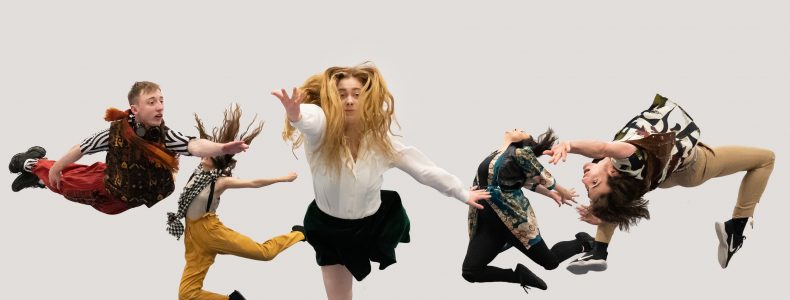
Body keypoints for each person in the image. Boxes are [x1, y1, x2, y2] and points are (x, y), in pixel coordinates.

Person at [272, 63, 491, 300]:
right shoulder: (321, 132)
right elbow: (311, 119)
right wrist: (296, 114)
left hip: (372, 223)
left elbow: (423, 169)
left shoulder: (381, 142)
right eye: (341, 94)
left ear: (367, 99)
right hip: (329, 228)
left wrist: (462, 193)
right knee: (339, 296)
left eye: (356, 94)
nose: (349, 100)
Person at [543, 94, 775, 273]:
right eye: (594, 182)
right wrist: (569, 146)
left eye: (588, 187)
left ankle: (599, 252)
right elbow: (603, 147)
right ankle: (736, 229)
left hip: (662, 175)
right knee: (766, 159)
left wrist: (605, 215)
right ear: (612, 173)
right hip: (695, 166)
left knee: (620, 199)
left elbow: (616, 197)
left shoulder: (625, 179)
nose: (584, 179)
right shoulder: (625, 158)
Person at [8, 81, 249, 214]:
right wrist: (56, 167)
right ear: (135, 109)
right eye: (151, 102)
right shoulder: (115, 133)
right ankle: (32, 164)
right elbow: (82, 147)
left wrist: (222, 148)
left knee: (73, 191)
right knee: (63, 184)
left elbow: (194, 145)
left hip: (124, 201)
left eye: (162, 101)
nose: (160, 107)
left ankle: (37, 179)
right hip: (106, 184)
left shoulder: (165, 136)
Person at [169, 104, 304, 300]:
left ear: (218, 161)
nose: (206, 154)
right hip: (193, 237)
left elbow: (253, 183)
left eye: (211, 153)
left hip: (212, 231)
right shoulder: (196, 174)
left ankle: (299, 233)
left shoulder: (220, 182)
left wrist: (282, 178)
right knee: (186, 294)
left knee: (265, 253)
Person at [461, 128, 593, 293]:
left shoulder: (520, 152)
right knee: (471, 271)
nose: (518, 129)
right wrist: (551, 194)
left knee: (550, 263)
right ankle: (519, 276)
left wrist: (560, 190)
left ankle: (584, 242)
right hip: (489, 224)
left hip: (513, 221)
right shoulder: (495, 153)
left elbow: (541, 174)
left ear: (524, 141)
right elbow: (524, 182)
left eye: (523, 131)